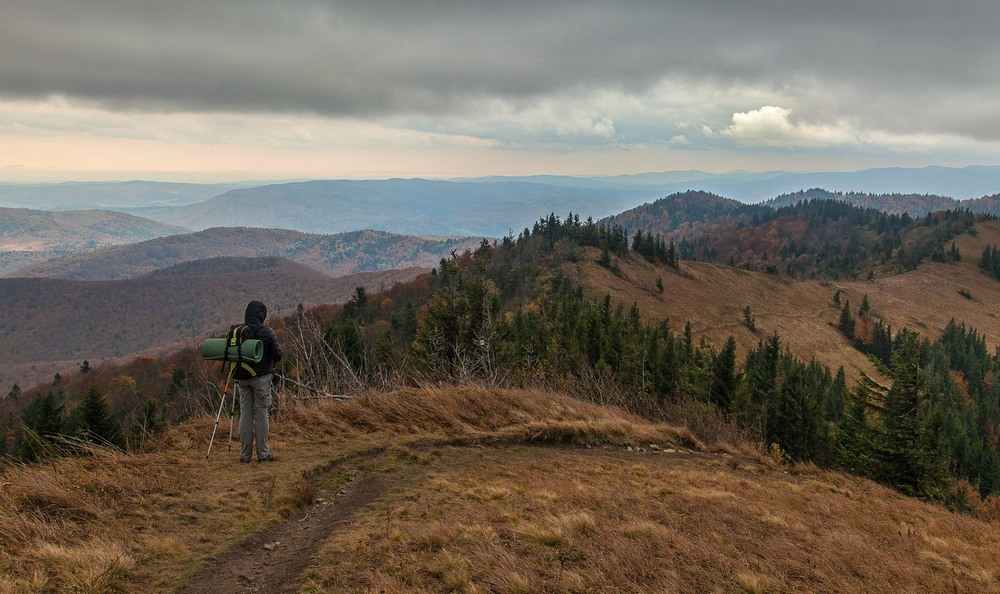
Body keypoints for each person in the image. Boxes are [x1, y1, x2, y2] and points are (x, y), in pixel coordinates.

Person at [236, 300, 283, 463]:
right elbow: (278, 355)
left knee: (245, 415)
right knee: (262, 414)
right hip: (261, 378)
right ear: (262, 315)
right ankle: (263, 454)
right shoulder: (267, 332)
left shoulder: (239, 331)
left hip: (242, 379)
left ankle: (245, 455)